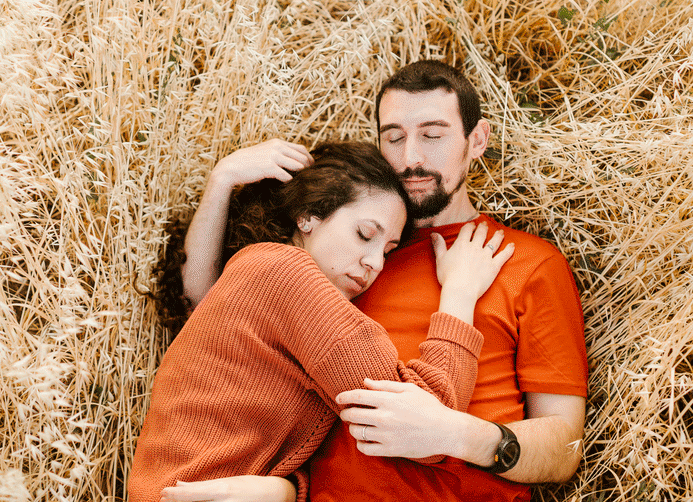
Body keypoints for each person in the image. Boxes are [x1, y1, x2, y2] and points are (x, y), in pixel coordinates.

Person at [175, 61, 588, 502]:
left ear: (477, 140)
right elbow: (211, 308)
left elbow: (564, 447)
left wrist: (458, 435)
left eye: (433, 135)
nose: (411, 158)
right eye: (394, 137)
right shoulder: (347, 247)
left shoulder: (527, 262)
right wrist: (220, 182)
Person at [129, 142, 514, 502]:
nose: (375, 263)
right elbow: (428, 421)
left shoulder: (258, 271)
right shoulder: (288, 274)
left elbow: (198, 296)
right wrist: (461, 292)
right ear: (308, 216)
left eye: (388, 250)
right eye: (365, 234)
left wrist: (283, 490)